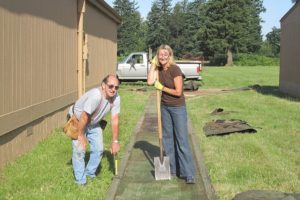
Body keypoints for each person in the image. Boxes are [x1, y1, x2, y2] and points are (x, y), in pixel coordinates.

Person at [147, 44, 196, 184]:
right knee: (168, 139)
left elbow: (178, 92)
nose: (162, 57)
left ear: (169, 55)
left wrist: (162, 87)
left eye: (165, 54)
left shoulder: (175, 69)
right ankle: (173, 169)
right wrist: (153, 65)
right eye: (160, 54)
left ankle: (188, 173)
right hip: (165, 107)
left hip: (178, 108)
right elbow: (150, 81)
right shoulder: (158, 69)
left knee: (181, 140)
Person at [68, 74, 120, 185]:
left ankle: (89, 174)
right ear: (103, 85)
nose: (113, 89)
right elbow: (84, 116)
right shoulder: (96, 96)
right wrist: (81, 135)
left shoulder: (116, 98)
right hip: (78, 119)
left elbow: (115, 119)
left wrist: (115, 141)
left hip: (93, 122)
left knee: (98, 149)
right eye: (110, 86)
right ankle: (80, 181)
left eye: (116, 87)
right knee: (79, 150)